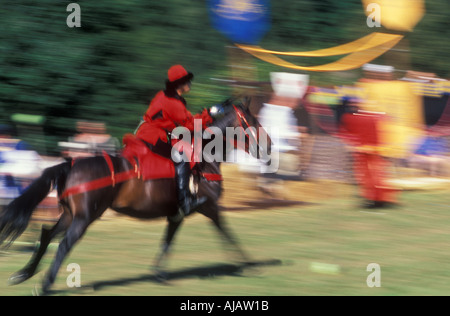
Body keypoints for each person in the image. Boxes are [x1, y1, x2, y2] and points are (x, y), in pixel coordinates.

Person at [135, 65, 213, 216]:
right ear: (179, 84)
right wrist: (207, 117)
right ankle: (185, 203)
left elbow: (187, 119)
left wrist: (204, 114)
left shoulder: (165, 96)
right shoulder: (173, 102)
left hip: (149, 133)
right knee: (182, 158)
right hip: (153, 136)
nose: (189, 83)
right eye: (186, 81)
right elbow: (188, 125)